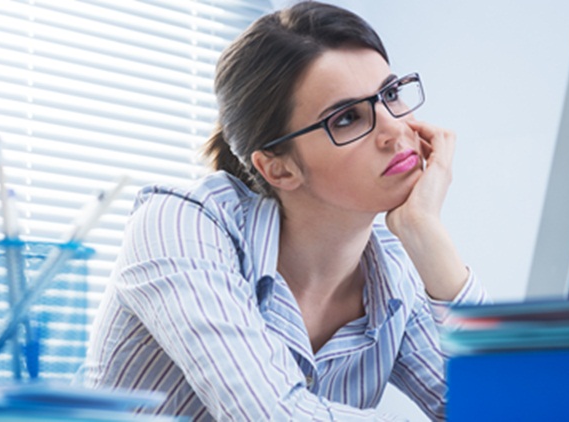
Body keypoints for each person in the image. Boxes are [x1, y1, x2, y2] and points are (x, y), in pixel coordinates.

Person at [77, 1, 489, 420]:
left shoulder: (392, 275)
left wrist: (429, 237)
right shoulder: (179, 226)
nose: (395, 130)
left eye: (390, 94)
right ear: (278, 167)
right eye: (347, 118)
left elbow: (506, 407)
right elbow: (272, 414)